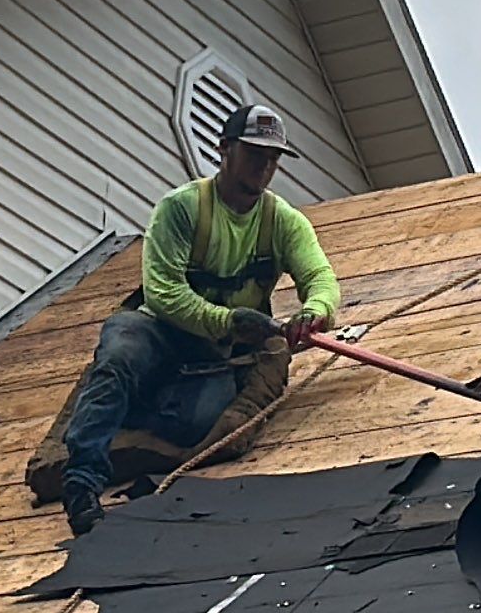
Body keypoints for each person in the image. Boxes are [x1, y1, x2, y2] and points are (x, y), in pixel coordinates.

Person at [60, 103, 341, 534]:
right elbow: (164, 293)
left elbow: (320, 278)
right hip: (158, 328)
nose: (265, 168)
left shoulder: (283, 221)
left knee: (198, 419)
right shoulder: (181, 209)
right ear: (224, 149)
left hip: (215, 352)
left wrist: (313, 313)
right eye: (254, 155)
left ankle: (131, 407)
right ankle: (82, 481)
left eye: (273, 159)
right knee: (119, 357)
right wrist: (227, 321)